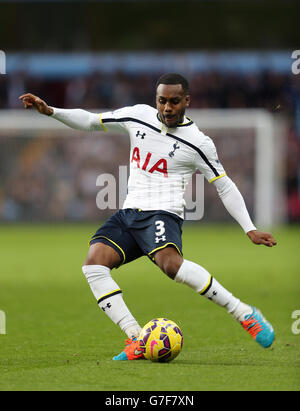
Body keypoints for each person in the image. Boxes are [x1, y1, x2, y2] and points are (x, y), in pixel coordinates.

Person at [19, 73, 277, 361]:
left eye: (174, 101)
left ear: (187, 101)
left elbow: (224, 185)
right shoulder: (139, 116)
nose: (167, 107)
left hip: (162, 213)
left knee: (171, 266)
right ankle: (137, 338)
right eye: (162, 101)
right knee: (93, 264)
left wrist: (249, 228)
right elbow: (91, 121)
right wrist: (51, 111)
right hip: (129, 213)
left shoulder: (199, 143)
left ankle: (244, 313)